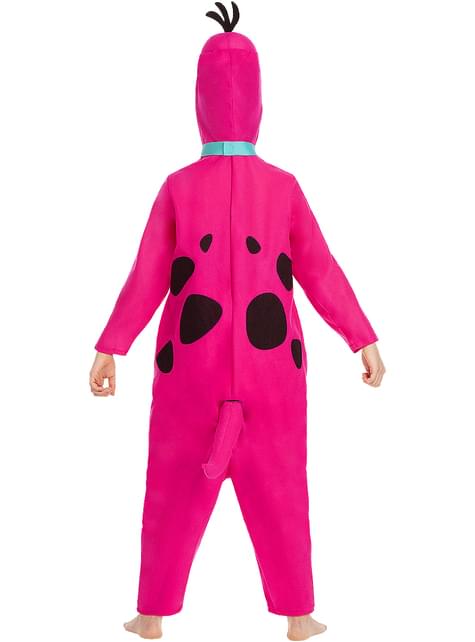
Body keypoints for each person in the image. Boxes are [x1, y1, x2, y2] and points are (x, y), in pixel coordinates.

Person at [89, 3, 386, 640]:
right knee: (282, 491)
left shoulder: (179, 186)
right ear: (257, 101)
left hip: (187, 372)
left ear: (198, 100)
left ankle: (151, 615)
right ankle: (299, 616)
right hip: (273, 371)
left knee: (170, 491)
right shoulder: (281, 187)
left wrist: (112, 345)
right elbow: (321, 270)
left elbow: (147, 275)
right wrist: (360, 337)